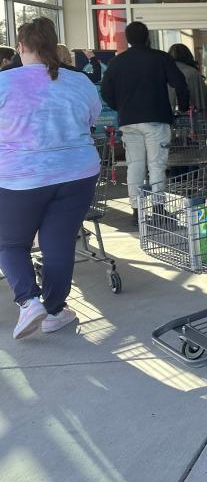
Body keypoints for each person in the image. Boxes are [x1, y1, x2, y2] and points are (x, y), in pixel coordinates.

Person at [0, 18, 101, 339]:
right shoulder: (79, 82)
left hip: (22, 178)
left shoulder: (5, 82)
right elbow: (91, 119)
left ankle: (29, 300)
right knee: (58, 243)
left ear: (21, 47)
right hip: (78, 173)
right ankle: (55, 310)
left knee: (10, 242)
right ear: (53, 46)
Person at [100, 21, 189, 226]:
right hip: (156, 119)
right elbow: (180, 84)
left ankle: (136, 210)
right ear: (147, 36)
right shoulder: (160, 58)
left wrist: (119, 106)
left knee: (135, 165)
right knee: (156, 164)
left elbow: (106, 91)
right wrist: (182, 107)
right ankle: (158, 208)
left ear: (128, 39)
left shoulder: (118, 62)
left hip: (129, 121)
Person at [167, 43, 207, 115]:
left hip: (169, 116)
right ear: (188, 56)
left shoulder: (165, 72)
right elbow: (204, 98)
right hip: (192, 116)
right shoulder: (193, 72)